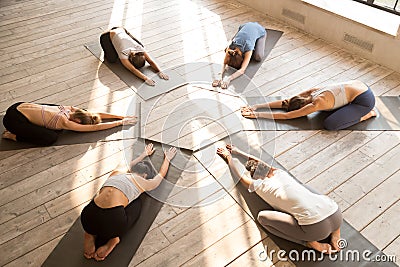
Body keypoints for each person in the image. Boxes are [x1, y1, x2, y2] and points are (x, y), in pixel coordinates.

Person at [216, 144, 342, 254]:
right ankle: (336, 233)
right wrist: (237, 151)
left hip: (316, 230)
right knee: (306, 191)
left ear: (256, 178)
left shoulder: (260, 185)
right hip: (336, 214)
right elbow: (260, 163)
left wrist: (228, 158)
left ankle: (309, 243)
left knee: (262, 218)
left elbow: (239, 176)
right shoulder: (280, 173)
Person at [81, 143, 177, 261]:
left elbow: (127, 164)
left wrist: (143, 154)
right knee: (137, 203)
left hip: (88, 216)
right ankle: (113, 240)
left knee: (101, 202)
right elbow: (161, 175)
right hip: (112, 224)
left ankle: (89, 234)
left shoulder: (117, 173)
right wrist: (167, 159)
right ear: (145, 175)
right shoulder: (143, 182)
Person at [241, 80, 376, 130]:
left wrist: (257, 115)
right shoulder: (312, 93)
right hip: (360, 85)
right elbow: (286, 103)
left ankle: (367, 114)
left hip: (365, 101)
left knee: (330, 124)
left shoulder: (316, 104)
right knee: (326, 112)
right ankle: (348, 108)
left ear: (303, 109)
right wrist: (257, 106)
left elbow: (288, 116)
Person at [1, 102, 137, 146]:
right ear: (78, 122)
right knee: (51, 138)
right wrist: (120, 123)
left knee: (53, 121)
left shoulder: (69, 109)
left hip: (17, 106)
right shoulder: (64, 122)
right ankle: (13, 136)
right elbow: (95, 127)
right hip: (12, 121)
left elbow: (96, 114)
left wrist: (122, 116)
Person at [103, 26, 169, 86]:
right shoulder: (123, 54)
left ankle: (117, 32)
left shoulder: (140, 49)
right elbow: (132, 69)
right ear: (130, 60)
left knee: (140, 45)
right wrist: (145, 78)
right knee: (112, 59)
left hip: (122, 30)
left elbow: (151, 61)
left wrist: (159, 71)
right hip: (107, 36)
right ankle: (112, 36)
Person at [212, 22, 267, 89]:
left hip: (260, 30)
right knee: (226, 49)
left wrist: (229, 79)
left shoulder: (248, 47)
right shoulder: (230, 47)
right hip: (244, 26)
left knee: (258, 57)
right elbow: (224, 63)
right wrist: (219, 76)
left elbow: (242, 70)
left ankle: (256, 39)